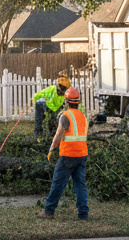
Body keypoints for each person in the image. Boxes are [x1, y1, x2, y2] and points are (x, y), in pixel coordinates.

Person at [37, 85, 88, 220]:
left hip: (68, 155)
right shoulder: (82, 116)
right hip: (82, 154)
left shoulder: (65, 116)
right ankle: (83, 214)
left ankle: (48, 211)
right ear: (78, 102)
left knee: (58, 183)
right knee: (80, 184)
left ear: (66, 102)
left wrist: (51, 149)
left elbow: (58, 135)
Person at [32, 75, 70, 140]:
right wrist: (33, 100)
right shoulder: (52, 89)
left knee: (54, 121)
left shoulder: (66, 95)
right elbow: (38, 95)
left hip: (55, 109)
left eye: (64, 89)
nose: (62, 91)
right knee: (39, 122)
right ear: (58, 86)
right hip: (44, 106)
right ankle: (38, 136)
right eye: (61, 88)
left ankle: (53, 136)